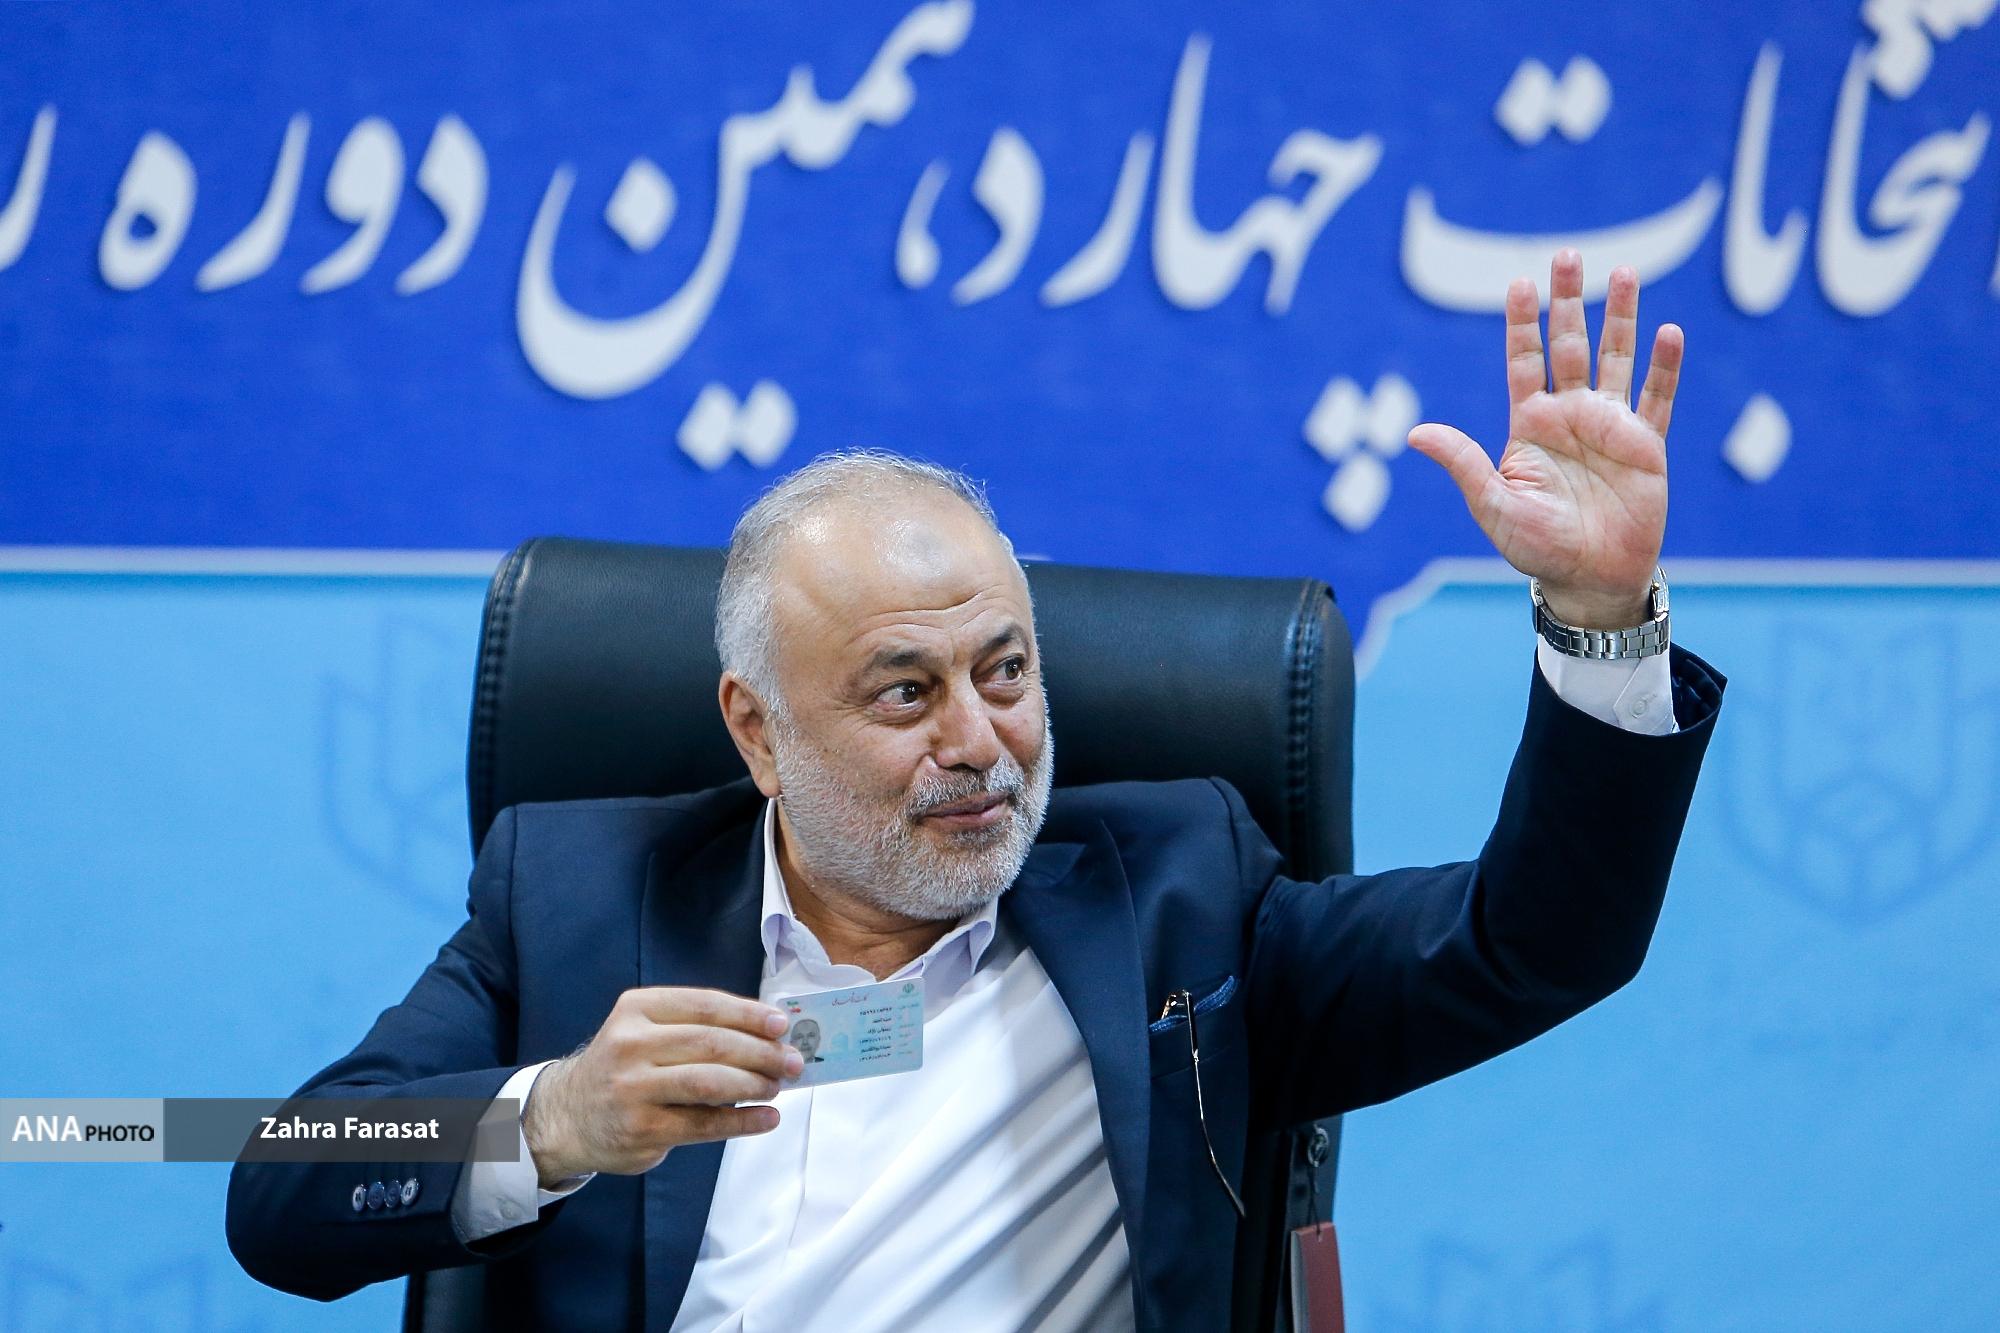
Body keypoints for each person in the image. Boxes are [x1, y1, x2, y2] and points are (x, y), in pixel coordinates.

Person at [227, 252, 1724, 1331]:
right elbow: (282, 1183)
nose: (982, 742)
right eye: (905, 692)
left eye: (1005, 671)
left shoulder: (1181, 900)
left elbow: (1536, 942)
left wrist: (1600, 617)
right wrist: (555, 1117)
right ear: (759, 732)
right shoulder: (573, 894)